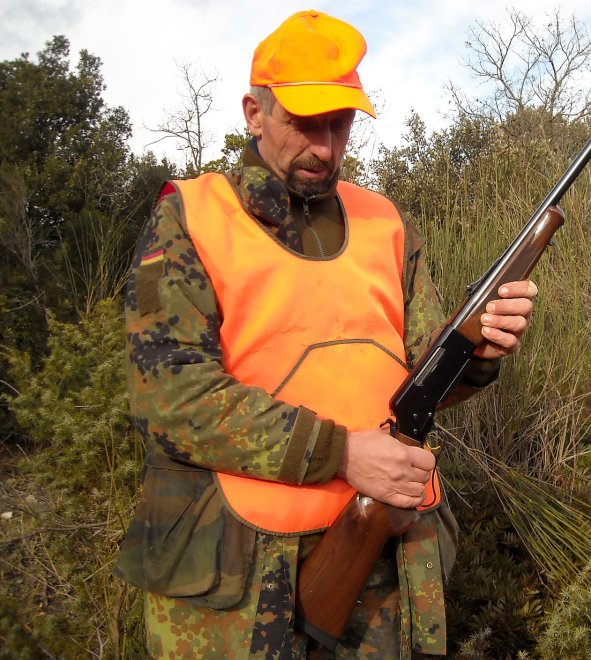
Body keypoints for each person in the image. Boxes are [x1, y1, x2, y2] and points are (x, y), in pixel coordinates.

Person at [114, 9, 537, 659]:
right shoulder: (191, 216)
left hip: (385, 565)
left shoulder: (384, 222)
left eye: (340, 125)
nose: (326, 147)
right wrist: (341, 454)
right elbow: (169, 397)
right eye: (305, 123)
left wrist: (478, 351)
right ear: (254, 113)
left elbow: (424, 380)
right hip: (238, 587)